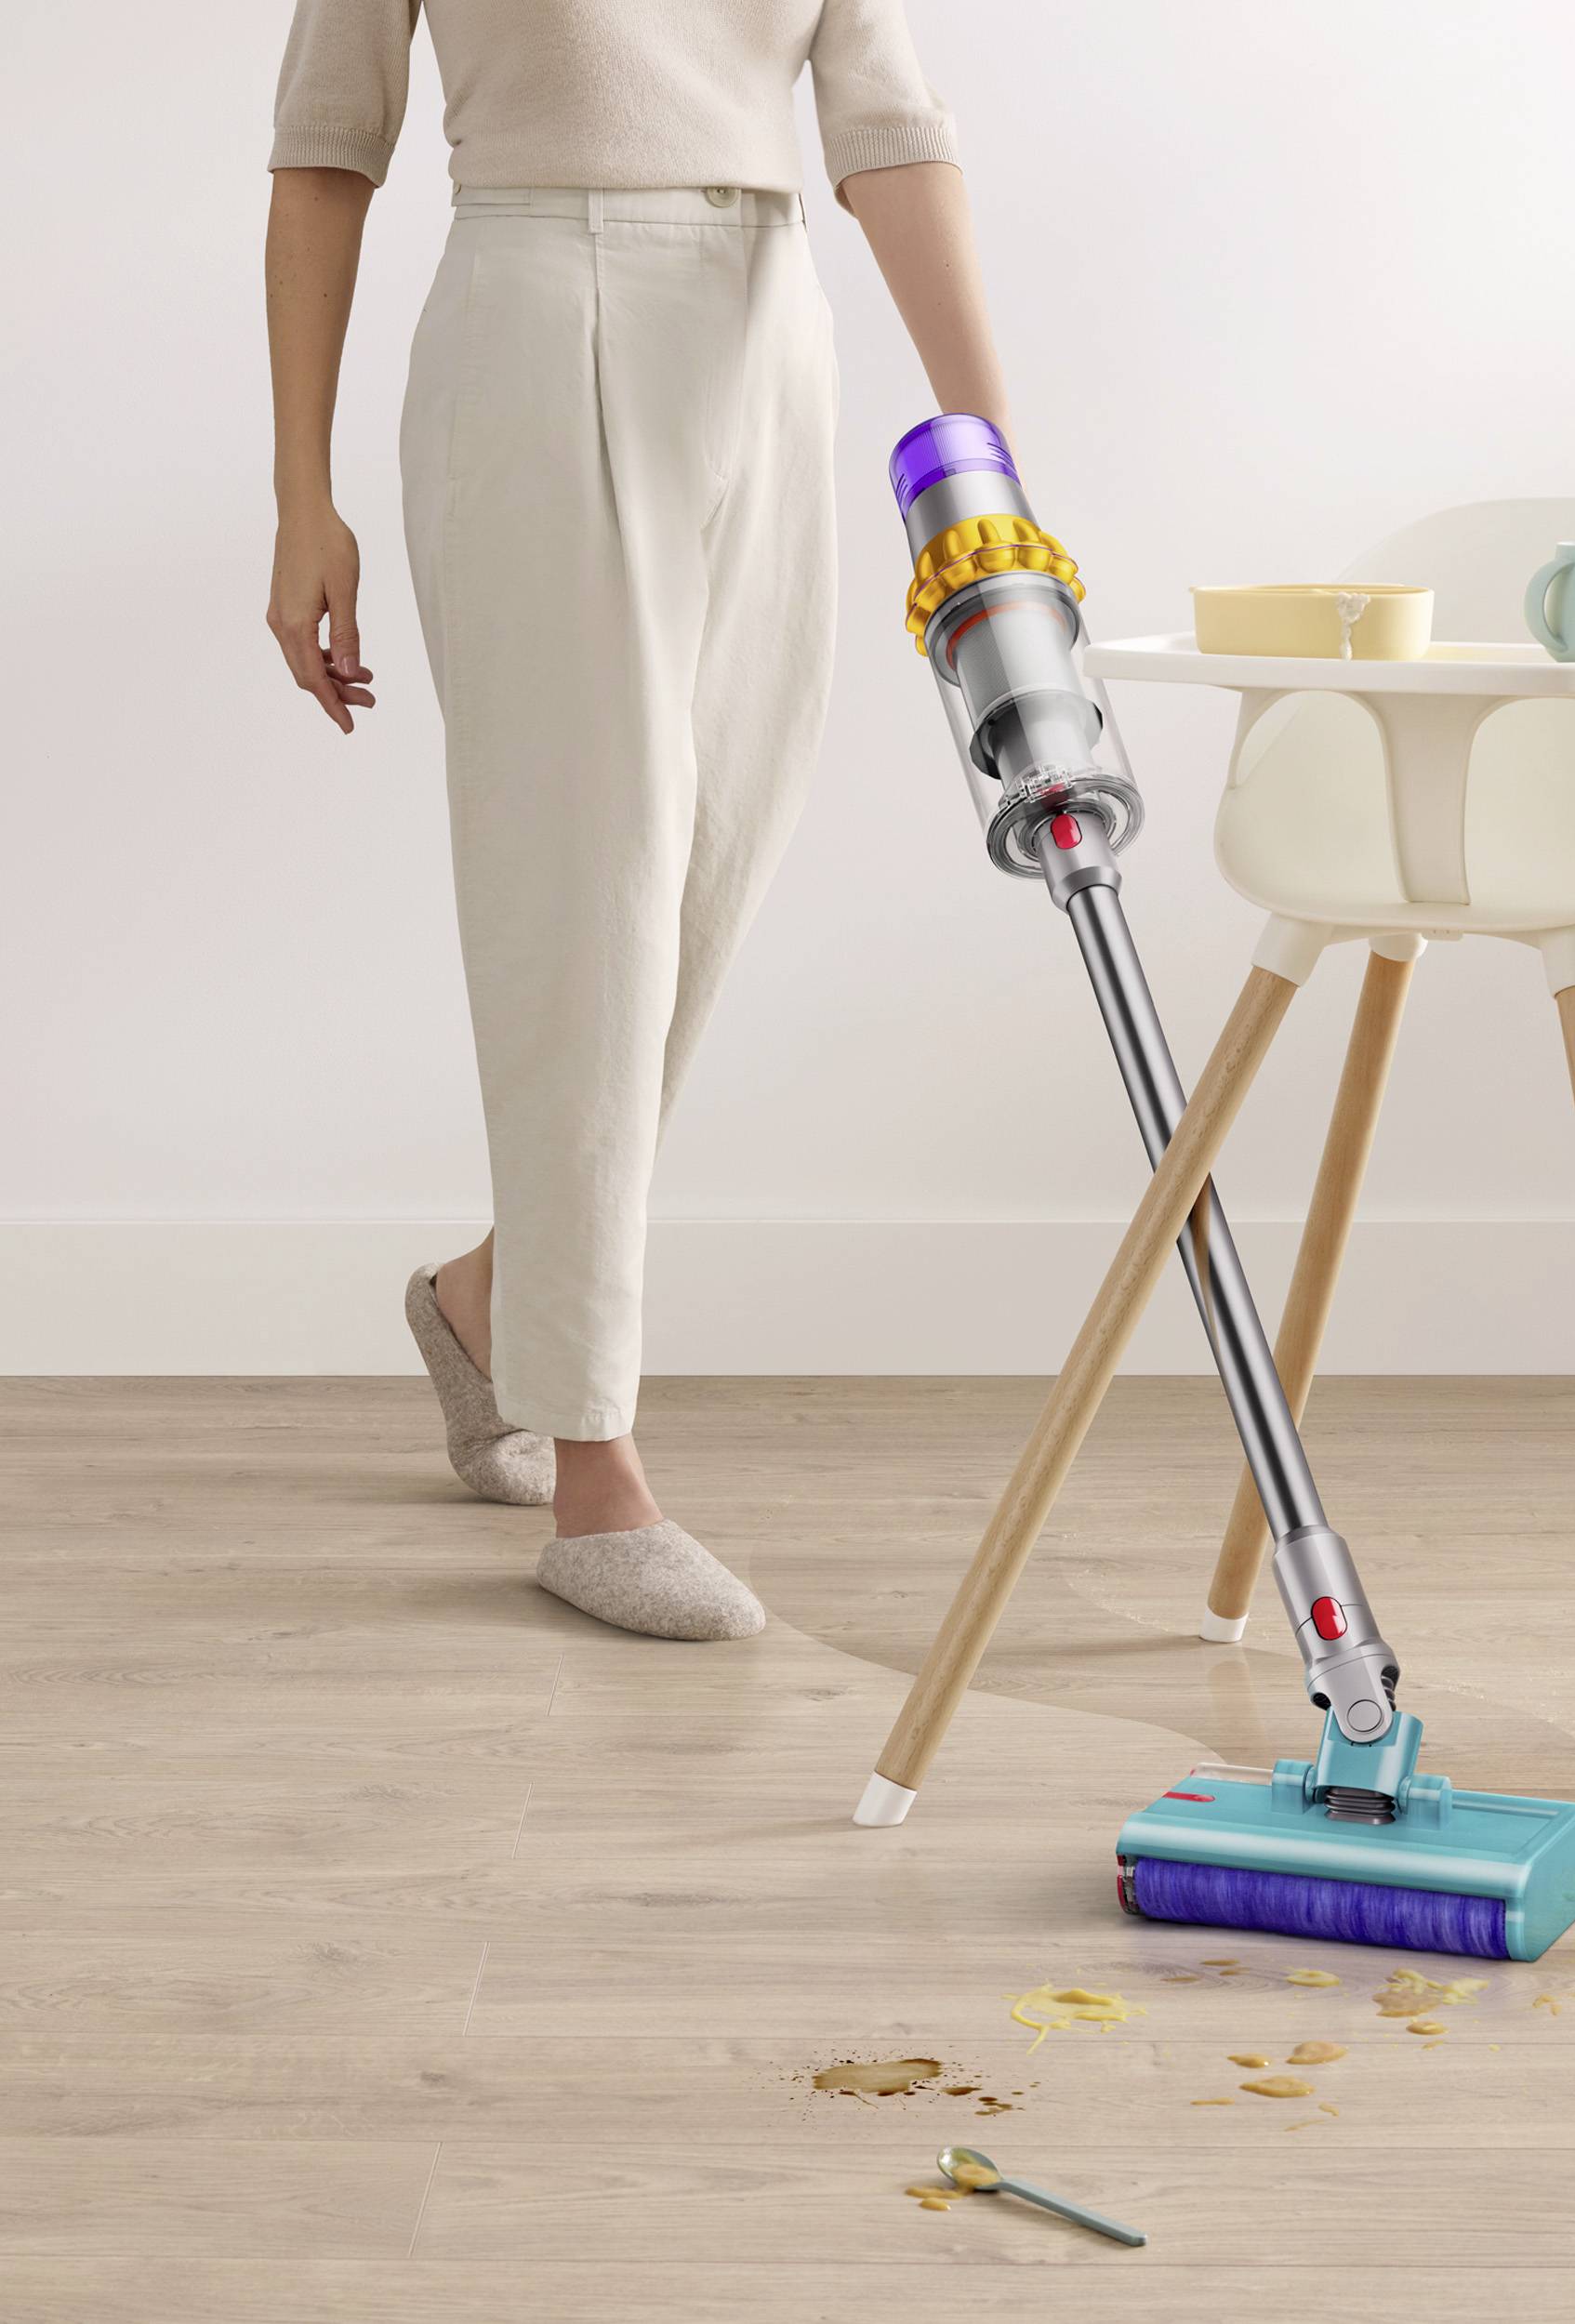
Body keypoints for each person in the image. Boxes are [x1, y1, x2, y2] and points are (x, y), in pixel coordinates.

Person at [264, 2, 1008, 1639]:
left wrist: (989, 466)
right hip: (537, 315)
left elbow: (888, 126)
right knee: (586, 883)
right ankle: (597, 1472)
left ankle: (487, 1305)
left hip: (772, 330)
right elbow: (326, 151)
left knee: (705, 875)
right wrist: (299, 495)